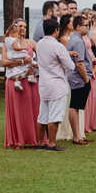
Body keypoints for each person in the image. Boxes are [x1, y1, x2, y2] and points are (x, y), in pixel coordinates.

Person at [34, 18, 74, 151]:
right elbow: (70, 65)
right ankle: (51, 143)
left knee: (43, 114)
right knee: (55, 115)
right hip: (57, 83)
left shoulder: (39, 44)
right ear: (56, 30)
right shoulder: (58, 46)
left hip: (44, 82)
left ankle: (40, 142)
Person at [1, 19, 40, 148]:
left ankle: (34, 137)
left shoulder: (30, 43)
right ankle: (18, 139)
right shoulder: (9, 43)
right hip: (15, 80)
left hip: (29, 79)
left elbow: (44, 53)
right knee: (17, 111)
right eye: (20, 26)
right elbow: (4, 62)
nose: (23, 28)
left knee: (32, 109)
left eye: (25, 26)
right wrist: (22, 62)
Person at [65, 15, 93, 145]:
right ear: (78, 26)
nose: (87, 28)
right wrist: (86, 79)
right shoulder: (78, 41)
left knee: (76, 107)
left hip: (76, 77)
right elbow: (80, 63)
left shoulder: (74, 39)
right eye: (85, 25)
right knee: (75, 106)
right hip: (79, 78)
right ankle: (76, 136)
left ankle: (78, 135)